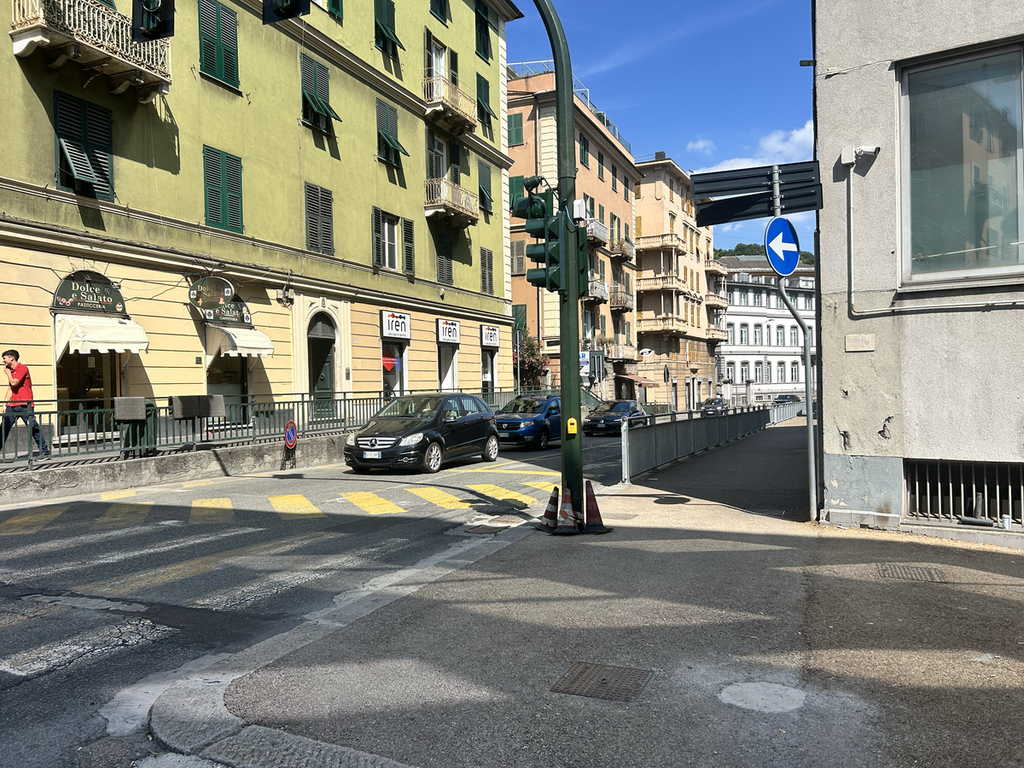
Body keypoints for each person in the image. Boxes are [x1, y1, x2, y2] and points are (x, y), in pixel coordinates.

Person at [2, 349, 50, 459]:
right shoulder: (11, 371)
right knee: (3, 429)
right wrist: (4, 404)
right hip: (12, 406)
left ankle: (44, 451)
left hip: (24, 405)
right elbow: (11, 388)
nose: (3, 361)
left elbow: (14, 382)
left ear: (12, 358)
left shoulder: (22, 368)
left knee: (33, 428)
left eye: (4, 358)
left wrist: (8, 373)